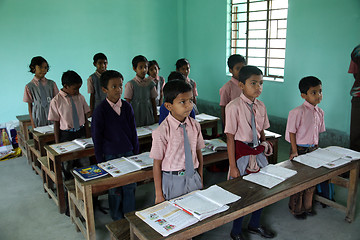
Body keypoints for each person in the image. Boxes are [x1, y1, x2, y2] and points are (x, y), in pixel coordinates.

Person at [225, 66, 275, 240]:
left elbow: (261, 130)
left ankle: (254, 224)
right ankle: (236, 231)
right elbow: (230, 139)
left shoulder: (261, 106)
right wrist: (233, 167)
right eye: (253, 83)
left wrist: (263, 142)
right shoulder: (233, 107)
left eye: (261, 83)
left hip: (258, 154)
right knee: (241, 194)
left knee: (260, 190)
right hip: (241, 155)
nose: (258, 87)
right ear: (241, 85)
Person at [91, 70, 139, 220]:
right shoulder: (100, 111)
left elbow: (133, 131)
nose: (118, 89)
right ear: (104, 89)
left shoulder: (127, 107)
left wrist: (135, 151)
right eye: (114, 87)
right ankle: (117, 218)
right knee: (114, 188)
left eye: (120, 86)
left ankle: (129, 216)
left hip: (128, 153)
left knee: (130, 186)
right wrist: (100, 160)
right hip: (110, 155)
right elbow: (96, 138)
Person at [150, 80, 205, 204]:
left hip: (193, 177)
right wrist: (158, 194)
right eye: (182, 102)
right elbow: (157, 164)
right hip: (173, 180)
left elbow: (198, 153)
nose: (188, 105)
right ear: (169, 106)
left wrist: (200, 177)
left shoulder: (195, 125)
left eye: (190, 100)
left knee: (195, 209)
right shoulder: (162, 131)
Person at [285, 76, 325, 219]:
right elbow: (292, 132)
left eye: (320, 91)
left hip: (313, 150)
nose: (318, 95)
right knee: (299, 182)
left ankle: (307, 207)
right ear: (303, 95)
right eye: (313, 92)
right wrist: (295, 151)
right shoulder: (297, 112)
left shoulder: (320, 112)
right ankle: (296, 209)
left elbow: (316, 134)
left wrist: (317, 149)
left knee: (311, 181)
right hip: (300, 150)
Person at [48, 70, 91, 179]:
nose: (77, 91)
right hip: (66, 135)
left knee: (85, 162)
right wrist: (58, 143)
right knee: (67, 164)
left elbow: (85, 117)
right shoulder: (56, 101)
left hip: (80, 133)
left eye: (79, 88)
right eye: (75, 88)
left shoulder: (80, 97)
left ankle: (87, 190)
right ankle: (69, 190)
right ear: (66, 86)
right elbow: (56, 123)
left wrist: (88, 136)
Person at [23, 56, 59, 128]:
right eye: (40, 67)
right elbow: (30, 106)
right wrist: (32, 123)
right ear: (33, 68)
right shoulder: (29, 86)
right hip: (38, 114)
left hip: (51, 111)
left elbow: (57, 101)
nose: (43, 70)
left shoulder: (52, 84)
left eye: (45, 68)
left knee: (53, 132)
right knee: (40, 133)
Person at [124, 55, 158, 127]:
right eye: (140, 67)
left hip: (148, 112)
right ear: (134, 68)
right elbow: (127, 102)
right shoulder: (131, 84)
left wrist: (155, 116)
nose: (144, 70)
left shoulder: (151, 83)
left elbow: (153, 101)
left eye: (145, 67)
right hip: (136, 113)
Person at [219, 54, 246, 127]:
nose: (241, 71)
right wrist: (226, 127)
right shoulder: (227, 88)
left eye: (243, 68)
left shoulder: (247, 85)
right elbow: (223, 108)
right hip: (232, 123)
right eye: (238, 68)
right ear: (231, 70)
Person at [349, 44, 360, 152]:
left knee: (356, 136)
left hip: (358, 96)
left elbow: (355, 73)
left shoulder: (357, 51)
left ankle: (355, 168)